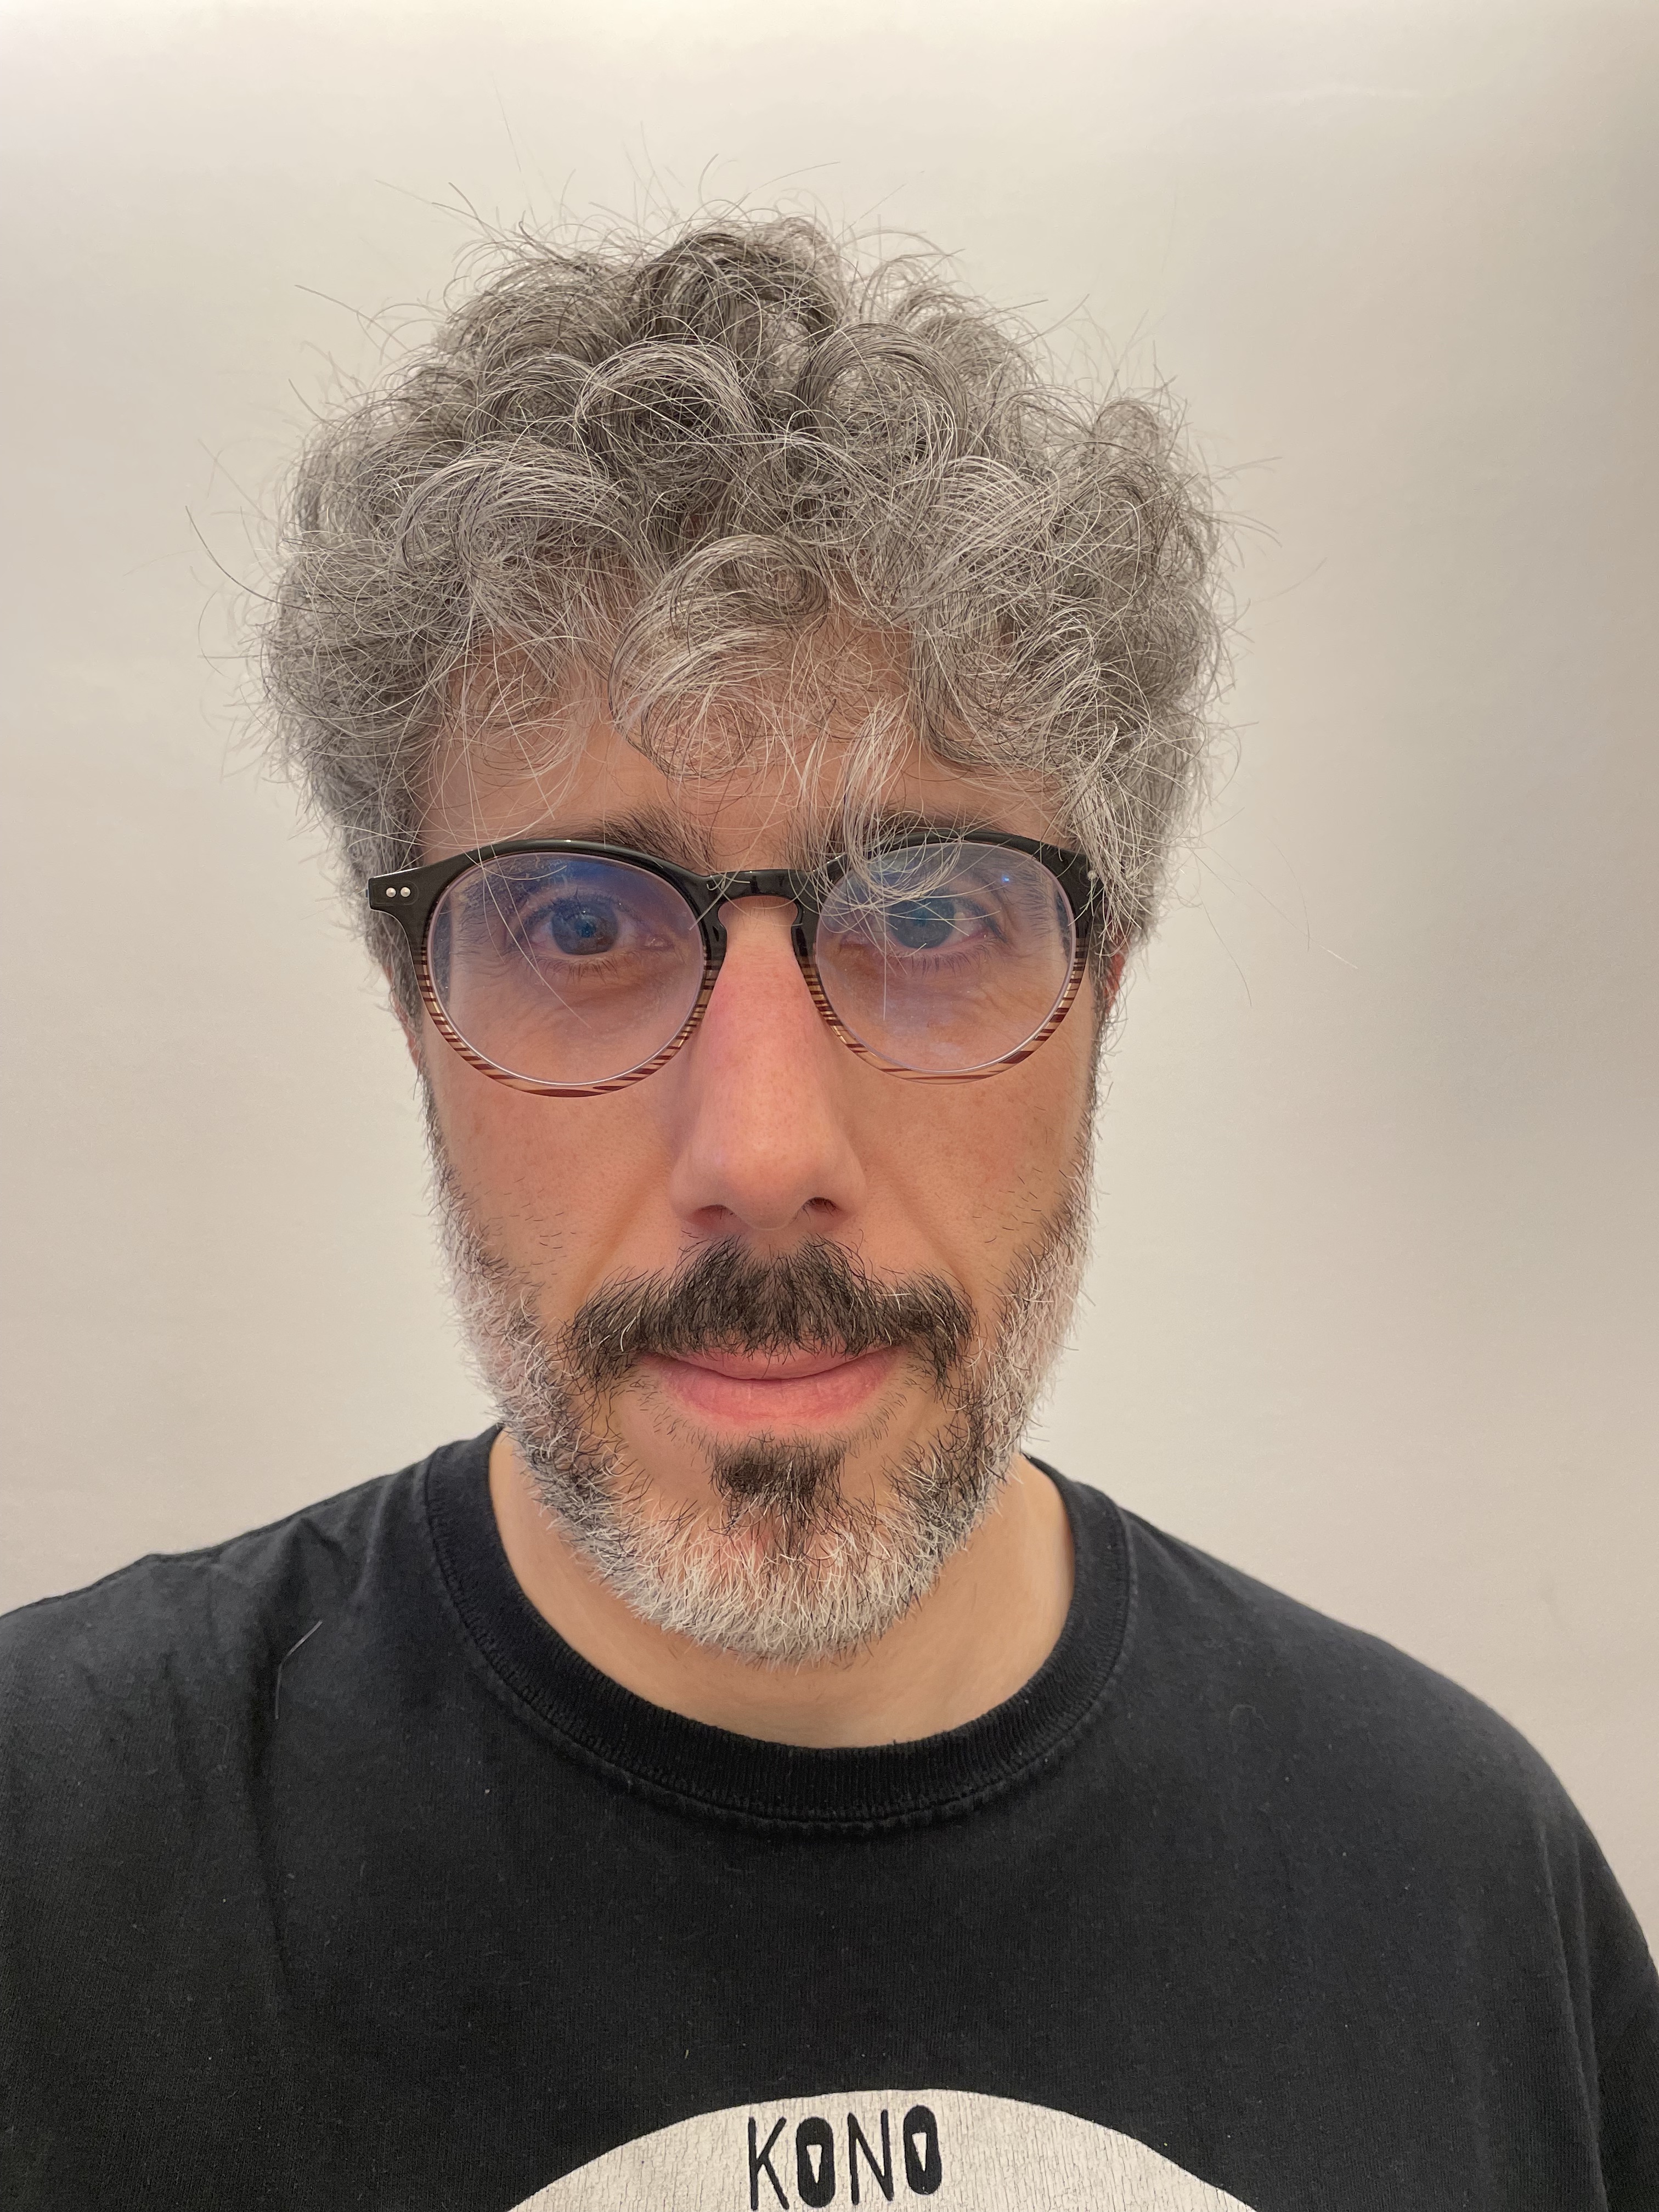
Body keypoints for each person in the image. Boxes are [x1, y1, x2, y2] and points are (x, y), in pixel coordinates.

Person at [1, 216, 1652, 2211]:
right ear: (410, 1007)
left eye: (931, 911)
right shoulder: (54, 1861)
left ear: (1106, 989)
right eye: (576, 923)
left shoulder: (1464, 1893)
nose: (765, 1146)